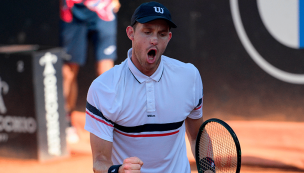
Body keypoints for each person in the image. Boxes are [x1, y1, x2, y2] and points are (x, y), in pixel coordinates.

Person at [84, 1, 204, 173]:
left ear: (168, 38)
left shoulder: (189, 77)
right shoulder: (104, 88)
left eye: (162, 34)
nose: (154, 40)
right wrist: (118, 171)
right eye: (147, 32)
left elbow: (198, 137)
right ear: (130, 33)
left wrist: (208, 168)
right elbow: (99, 162)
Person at [60, 0, 121, 143]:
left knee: (105, 71)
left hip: (102, 9)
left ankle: (109, 124)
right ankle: (66, 121)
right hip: (72, 9)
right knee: (68, 70)